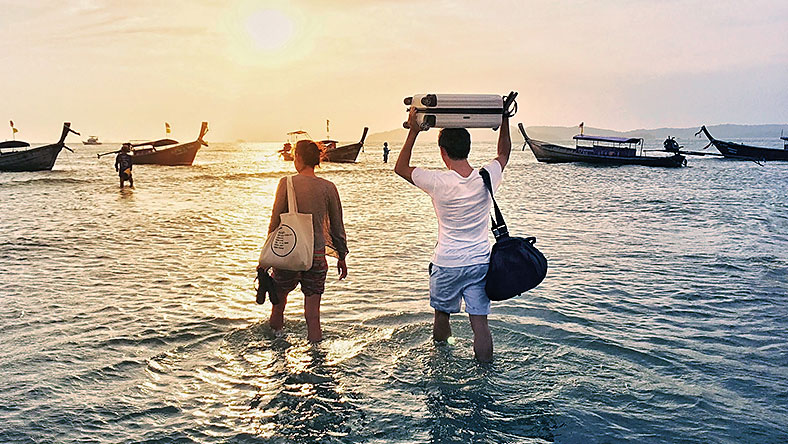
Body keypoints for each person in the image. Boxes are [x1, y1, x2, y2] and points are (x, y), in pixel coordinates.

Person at [394, 107, 511, 362]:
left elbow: (400, 167)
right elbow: (504, 153)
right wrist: (504, 119)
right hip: (479, 262)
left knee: (441, 316)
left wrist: (413, 131)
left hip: (447, 263)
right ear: (467, 148)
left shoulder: (438, 181)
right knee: (480, 325)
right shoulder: (487, 176)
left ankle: (443, 361)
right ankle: (484, 373)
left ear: (443, 152)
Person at [265, 139, 349, 342]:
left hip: (289, 254)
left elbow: (275, 220)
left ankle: (276, 351)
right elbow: (337, 225)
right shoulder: (328, 187)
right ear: (317, 159)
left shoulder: (287, 183)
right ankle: (316, 358)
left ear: (299, 158)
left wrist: (267, 255)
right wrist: (341, 256)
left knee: (279, 306)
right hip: (317, 255)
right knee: (313, 315)